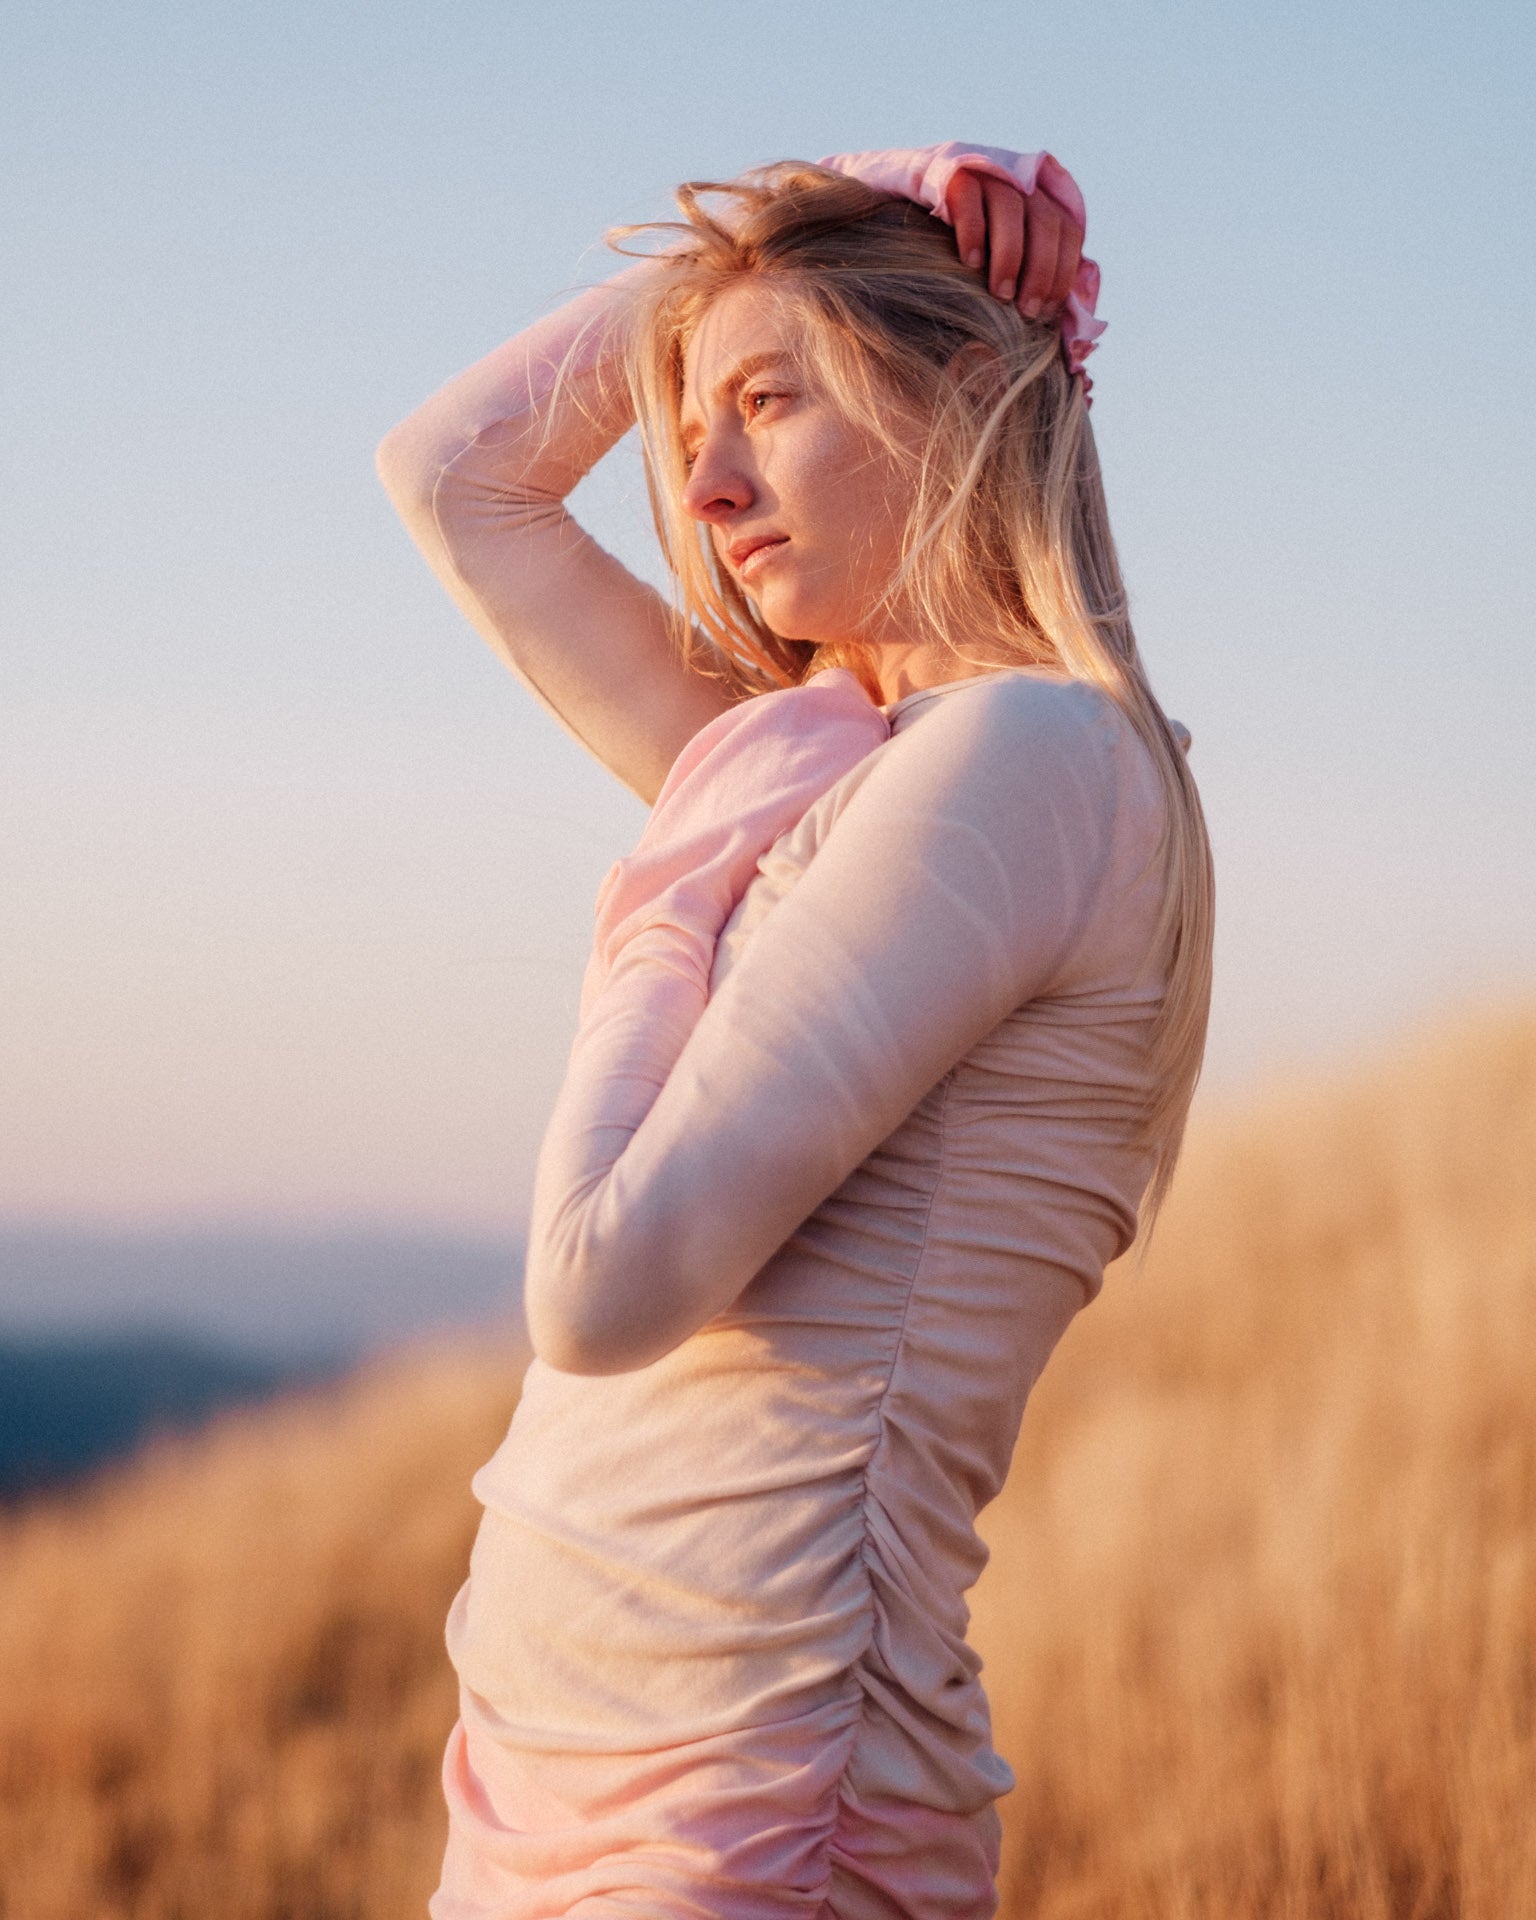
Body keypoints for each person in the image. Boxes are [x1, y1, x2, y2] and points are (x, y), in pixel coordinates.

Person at [377, 139, 1213, 1920]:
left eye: (770, 402)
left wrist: (658, 909)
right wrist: (844, 186)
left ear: (968, 387)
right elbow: (452, 475)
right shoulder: (808, 766)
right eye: (692, 426)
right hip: (560, 1784)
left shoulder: (1030, 758)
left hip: (756, 1812)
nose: (705, 483)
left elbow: (601, 1285)